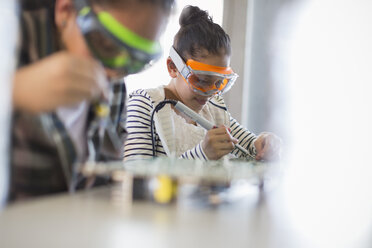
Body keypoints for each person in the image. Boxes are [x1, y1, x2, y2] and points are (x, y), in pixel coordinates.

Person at [10, 0, 174, 201]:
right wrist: (15, 91)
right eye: (106, 45)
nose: (113, 70)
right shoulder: (12, 36)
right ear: (66, 10)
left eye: (135, 60)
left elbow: (102, 184)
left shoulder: (114, 84)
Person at [124, 5, 281, 162]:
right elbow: (135, 178)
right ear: (173, 67)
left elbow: (252, 150)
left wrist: (265, 144)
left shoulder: (213, 109)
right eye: (202, 80)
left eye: (219, 83)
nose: (210, 92)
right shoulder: (145, 105)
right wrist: (202, 155)